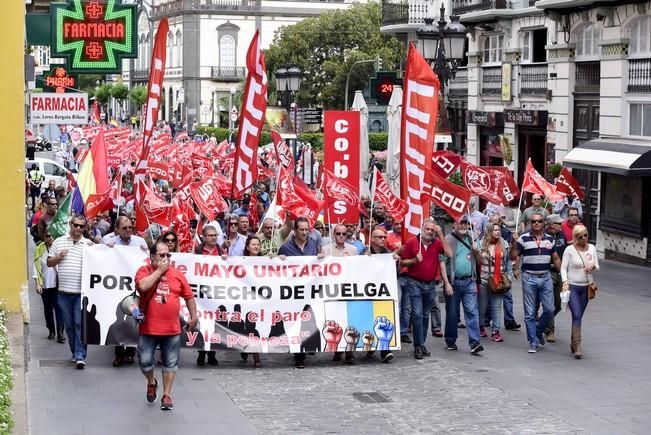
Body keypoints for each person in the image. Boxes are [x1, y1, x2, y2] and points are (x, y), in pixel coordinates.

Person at [135, 241, 198, 411]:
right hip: (149, 328)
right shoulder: (144, 271)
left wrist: (194, 316)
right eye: (162, 255)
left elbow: (189, 296)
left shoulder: (177, 274)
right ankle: (151, 381)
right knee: (145, 361)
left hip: (172, 329)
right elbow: (142, 286)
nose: (166, 258)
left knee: (171, 362)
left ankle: (166, 395)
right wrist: (160, 271)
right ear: (152, 257)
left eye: (168, 255)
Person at [399, 218, 452, 359]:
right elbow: (402, 262)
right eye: (428, 229)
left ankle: (421, 344)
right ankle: (418, 346)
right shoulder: (412, 242)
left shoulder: (436, 243)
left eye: (432, 230)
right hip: (414, 282)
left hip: (430, 284)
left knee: (425, 315)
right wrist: (414, 261)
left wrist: (441, 235)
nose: (430, 232)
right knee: (417, 314)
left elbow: (449, 254)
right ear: (422, 229)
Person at [47, 214, 94, 369]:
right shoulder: (59, 242)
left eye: (81, 226)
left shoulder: (88, 244)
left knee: (79, 323)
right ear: (70, 224)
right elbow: (49, 262)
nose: (78, 228)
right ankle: (75, 352)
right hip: (63, 292)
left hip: (82, 293)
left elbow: (101, 258)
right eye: (76, 225)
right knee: (68, 325)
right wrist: (59, 257)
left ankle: (81, 355)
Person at [513, 212, 561, 353]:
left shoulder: (549, 240)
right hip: (529, 277)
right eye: (534, 221)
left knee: (550, 309)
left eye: (539, 221)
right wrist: (514, 242)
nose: (536, 223)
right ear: (530, 223)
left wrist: (563, 275)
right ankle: (533, 341)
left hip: (546, 277)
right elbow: (513, 255)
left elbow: (556, 258)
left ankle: (538, 331)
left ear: (544, 223)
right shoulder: (523, 239)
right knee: (529, 313)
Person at [278, 217, 323, 368]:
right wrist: (279, 260)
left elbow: (319, 263)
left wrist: (321, 258)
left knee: (309, 321)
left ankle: (308, 346)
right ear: (295, 231)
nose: (304, 232)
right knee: (296, 323)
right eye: (301, 230)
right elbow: (278, 270)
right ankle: (299, 357)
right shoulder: (286, 248)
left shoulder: (313, 244)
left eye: (306, 229)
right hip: (293, 293)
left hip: (310, 291)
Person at [439, 218, 484, 355]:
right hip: (454, 282)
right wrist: (446, 283)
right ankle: (451, 339)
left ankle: (475, 342)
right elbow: (442, 261)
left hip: (469, 280)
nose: (463, 225)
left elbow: (481, 259)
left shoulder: (472, 238)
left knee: (471, 311)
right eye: (460, 222)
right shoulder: (448, 239)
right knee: (452, 313)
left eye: (465, 223)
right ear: (454, 224)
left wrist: (477, 251)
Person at [560, 224, 599, 359]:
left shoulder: (592, 248)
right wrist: (565, 282)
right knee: (576, 314)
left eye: (585, 235)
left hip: (587, 287)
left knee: (579, 316)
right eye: (580, 236)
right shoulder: (569, 250)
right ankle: (577, 345)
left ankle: (573, 340)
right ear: (575, 238)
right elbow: (563, 268)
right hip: (573, 286)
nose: (584, 238)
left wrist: (593, 266)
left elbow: (597, 265)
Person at [323, 224, 358, 364]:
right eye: (338, 234)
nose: (341, 236)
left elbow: (360, 267)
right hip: (333, 291)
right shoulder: (326, 250)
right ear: (333, 234)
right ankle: (337, 351)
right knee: (336, 320)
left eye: (344, 234)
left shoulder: (353, 250)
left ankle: (349, 351)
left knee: (349, 320)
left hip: (349, 289)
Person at [479, 222, 513, 343]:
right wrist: (476, 252)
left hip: (498, 280)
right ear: (489, 231)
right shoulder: (480, 243)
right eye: (495, 230)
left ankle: (495, 331)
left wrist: (509, 275)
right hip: (484, 280)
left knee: (496, 307)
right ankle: (480, 325)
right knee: (482, 307)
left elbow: (508, 260)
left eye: (499, 230)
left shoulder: (503, 243)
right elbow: (476, 262)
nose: (498, 232)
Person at [367, 227, 398, 363]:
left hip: (383, 291)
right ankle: (370, 345)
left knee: (384, 318)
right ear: (372, 239)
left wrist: (395, 261)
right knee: (369, 318)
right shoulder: (365, 253)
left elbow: (393, 272)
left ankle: (385, 351)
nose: (383, 239)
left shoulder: (388, 254)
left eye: (384, 237)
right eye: (379, 237)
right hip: (367, 291)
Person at [194, 225, 223, 367]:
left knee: (214, 324)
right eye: (210, 235)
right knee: (203, 324)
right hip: (202, 294)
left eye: (215, 235)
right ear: (204, 237)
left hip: (216, 293)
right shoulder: (198, 251)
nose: (213, 237)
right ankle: (201, 352)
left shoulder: (221, 251)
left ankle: (212, 353)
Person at [33, 231, 65, 343]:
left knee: (59, 308)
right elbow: (36, 267)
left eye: (52, 235)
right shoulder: (39, 249)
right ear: (43, 237)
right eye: (47, 235)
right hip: (45, 284)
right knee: (48, 309)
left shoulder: (58, 247)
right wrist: (37, 283)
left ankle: (60, 333)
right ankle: (51, 330)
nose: (50, 237)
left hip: (58, 284)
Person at [544, 214, 568, 343]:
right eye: (558, 223)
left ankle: (544, 320)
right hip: (548, 271)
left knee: (559, 303)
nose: (561, 225)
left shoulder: (562, 235)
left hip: (561, 272)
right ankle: (550, 329)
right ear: (551, 225)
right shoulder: (544, 237)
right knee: (549, 302)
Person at [242, 235, 263, 367]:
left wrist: (279, 260)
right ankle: (244, 347)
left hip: (260, 300)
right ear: (247, 247)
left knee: (256, 327)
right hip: (245, 298)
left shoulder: (266, 261)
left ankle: (256, 356)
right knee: (246, 326)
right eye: (253, 244)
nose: (256, 246)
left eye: (258, 244)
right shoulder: (240, 261)